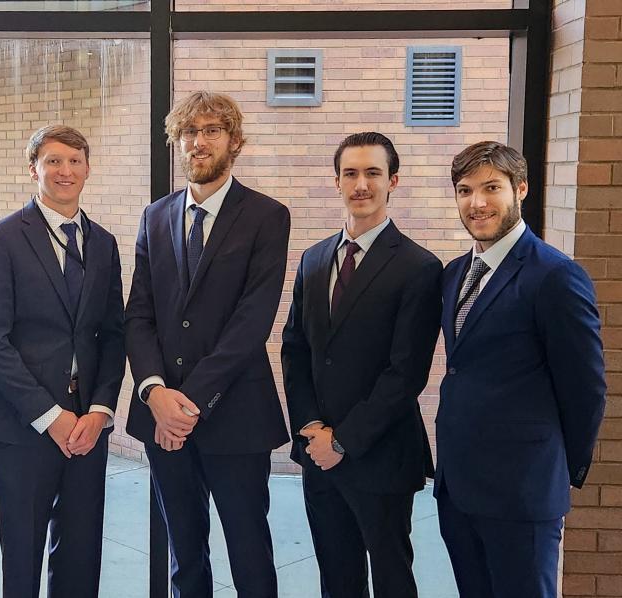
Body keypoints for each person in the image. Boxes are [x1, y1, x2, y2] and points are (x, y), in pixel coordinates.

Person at [124, 91, 290, 597]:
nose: (198, 141)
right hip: (162, 416)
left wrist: (188, 403)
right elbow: (139, 314)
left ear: (233, 141)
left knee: (248, 550)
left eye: (211, 130)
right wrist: (155, 393)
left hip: (235, 415)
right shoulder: (155, 216)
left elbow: (251, 322)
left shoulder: (267, 216)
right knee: (184, 551)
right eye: (189, 133)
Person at [435, 141, 606, 598]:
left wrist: (551, 471)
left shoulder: (555, 276)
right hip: (459, 489)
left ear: (521, 189)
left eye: (492, 187)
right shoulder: (454, 274)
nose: (477, 202)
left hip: (522, 494)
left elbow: (585, 389)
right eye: (465, 189)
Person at [281, 132, 441, 598]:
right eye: (350, 173)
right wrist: (311, 426)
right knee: (337, 579)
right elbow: (296, 350)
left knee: (392, 580)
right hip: (319, 456)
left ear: (393, 181)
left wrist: (345, 441)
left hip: (382, 456)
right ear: (336, 182)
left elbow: (406, 373)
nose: (361, 184)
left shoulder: (418, 267)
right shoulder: (313, 260)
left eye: (373, 173)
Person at [0, 125, 125, 598]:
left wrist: (99, 411)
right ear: (33, 167)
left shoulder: (103, 243)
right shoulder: (0, 239)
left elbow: (114, 335)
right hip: (22, 429)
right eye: (54, 161)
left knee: (81, 554)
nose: (65, 171)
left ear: (88, 169)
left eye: (75, 161)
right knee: (22, 555)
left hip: (88, 427)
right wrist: (50, 416)